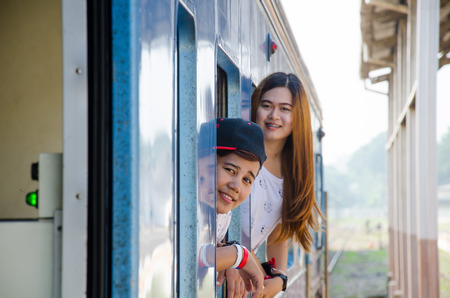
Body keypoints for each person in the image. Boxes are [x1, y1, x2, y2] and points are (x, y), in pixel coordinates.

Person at [225, 72, 323, 297]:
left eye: (285, 109)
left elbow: (278, 236)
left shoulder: (293, 175)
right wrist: (230, 260)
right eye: (266, 105)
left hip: (243, 280)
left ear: (297, 116)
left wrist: (279, 279)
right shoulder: (238, 156)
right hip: (222, 268)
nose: (274, 115)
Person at [197, 118, 267, 297]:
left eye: (247, 180)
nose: (237, 186)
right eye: (230, 170)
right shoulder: (179, 206)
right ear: (198, 161)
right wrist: (239, 256)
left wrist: (224, 254)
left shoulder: (223, 215)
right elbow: (186, 258)